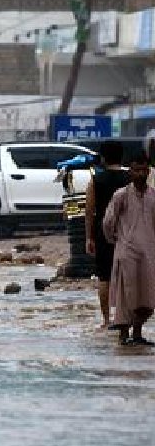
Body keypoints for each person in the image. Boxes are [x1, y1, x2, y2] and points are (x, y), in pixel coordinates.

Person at [102, 149, 155, 346]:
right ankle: (124, 335)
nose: (140, 174)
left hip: (149, 252)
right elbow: (108, 222)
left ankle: (138, 334)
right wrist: (115, 240)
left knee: (147, 297)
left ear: (148, 171)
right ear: (129, 172)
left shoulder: (153, 196)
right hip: (127, 252)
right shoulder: (121, 195)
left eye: (143, 170)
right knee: (127, 296)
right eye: (135, 170)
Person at [85, 140, 130, 330]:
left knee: (104, 276)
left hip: (103, 233)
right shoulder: (130, 178)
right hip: (128, 232)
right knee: (127, 277)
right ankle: (125, 317)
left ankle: (106, 319)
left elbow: (89, 211)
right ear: (122, 156)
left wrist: (89, 237)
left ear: (103, 157)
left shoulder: (96, 180)